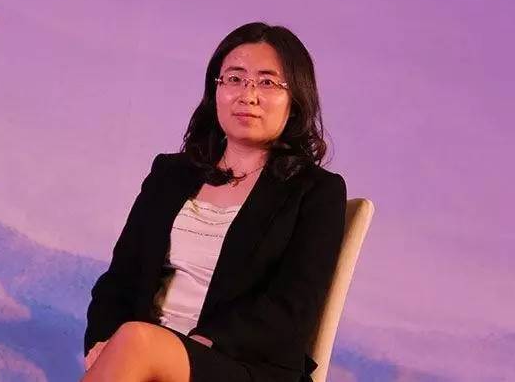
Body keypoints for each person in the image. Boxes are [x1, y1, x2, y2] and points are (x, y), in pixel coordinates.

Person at [82, 22, 347, 382]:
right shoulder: (169, 174)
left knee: (137, 341)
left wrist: (204, 342)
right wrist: (102, 342)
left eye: (267, 83)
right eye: (234, 79)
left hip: (244, 364)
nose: (248, 95)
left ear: (296, 99)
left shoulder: (316, 191)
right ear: (215, 90)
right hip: (143, 348)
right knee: (131, 342)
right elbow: (119, 280)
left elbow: (293, 306)